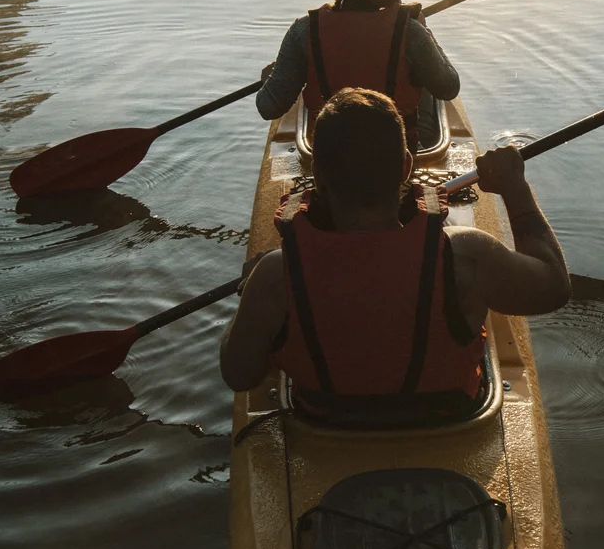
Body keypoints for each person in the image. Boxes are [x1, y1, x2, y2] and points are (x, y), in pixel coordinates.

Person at [220, 87, 570, 413]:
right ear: (406, 167)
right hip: (448, 421)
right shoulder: (467, 256)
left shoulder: (273, 277)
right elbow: (554, 286)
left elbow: (238, 375)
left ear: (319, 178)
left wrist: (249, 290)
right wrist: (514, 187)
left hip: (325, 425)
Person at [256, 0, 459, 149]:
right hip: (394, 159)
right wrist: (425, 31)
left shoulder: (303, 31)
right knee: (424, 78)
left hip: (330, 161)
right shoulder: (411, 32)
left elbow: (268, 107)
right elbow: (448, 88)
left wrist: (270, 79)